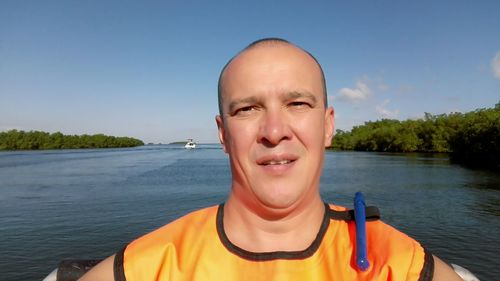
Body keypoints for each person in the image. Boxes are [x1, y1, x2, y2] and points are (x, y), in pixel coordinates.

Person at [79, 38, 463, 281]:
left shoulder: (397, 264)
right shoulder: (151, 265)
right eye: (247, 109)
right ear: (222, 134)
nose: (274, 130)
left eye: (297, 103)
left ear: (328, 126)